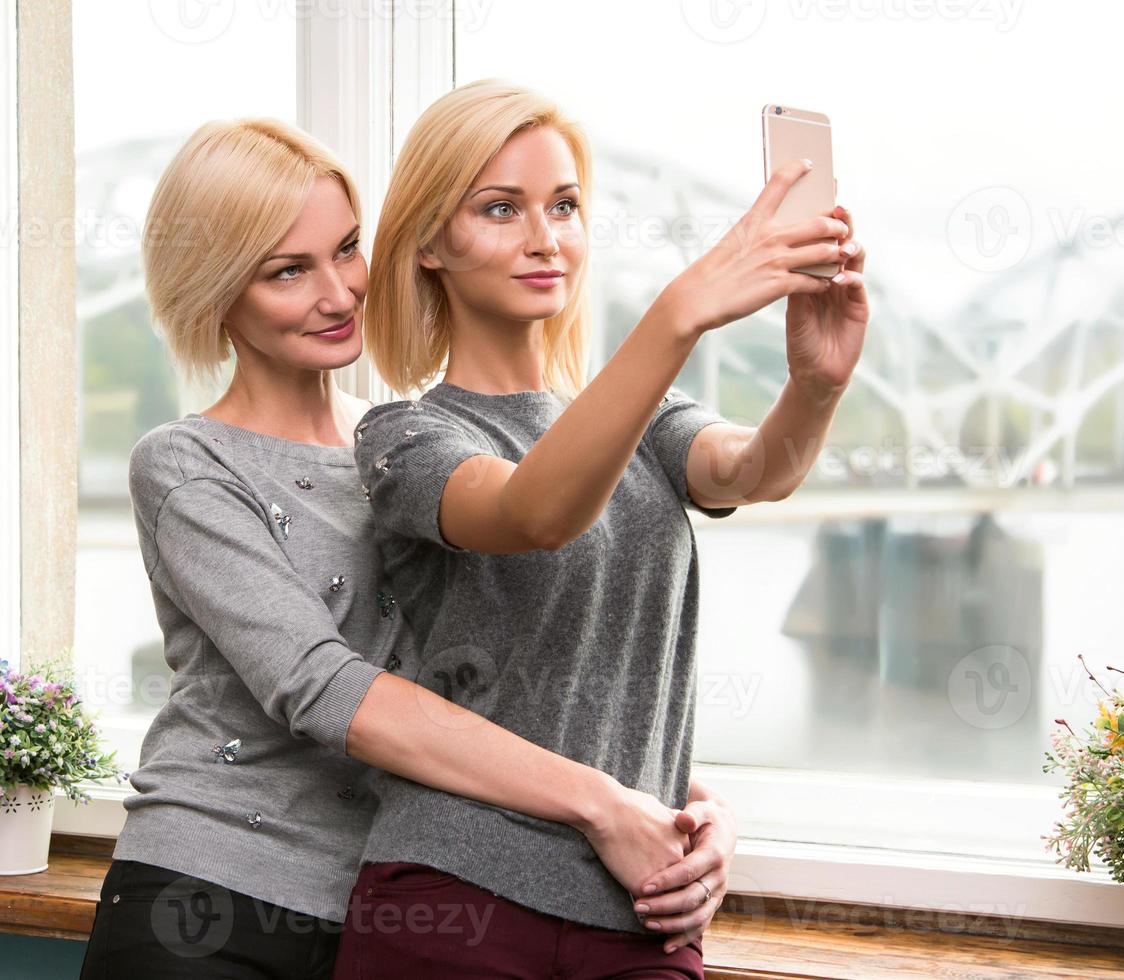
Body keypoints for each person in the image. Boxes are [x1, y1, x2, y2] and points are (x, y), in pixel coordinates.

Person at [77, 116, 735, 980]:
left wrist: (690, 807)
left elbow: (501, 681)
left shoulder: (410, 448)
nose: (340, 293)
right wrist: (600, 803)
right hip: (209, 900)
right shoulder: (186, 465)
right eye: (288, 271)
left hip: (390, 901)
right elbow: (326, 687)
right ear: (216, 295)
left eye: (347, 250)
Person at [338, 79, 868, 978]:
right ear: (430, 243)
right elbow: (534, 512)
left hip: (638, 912)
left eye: (566, 206)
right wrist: (679, 312)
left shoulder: (639, 418)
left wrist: (816, 385)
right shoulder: (407, 439)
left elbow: (753, 469)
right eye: (500, 209)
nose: (546, 238)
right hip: (452, 901)